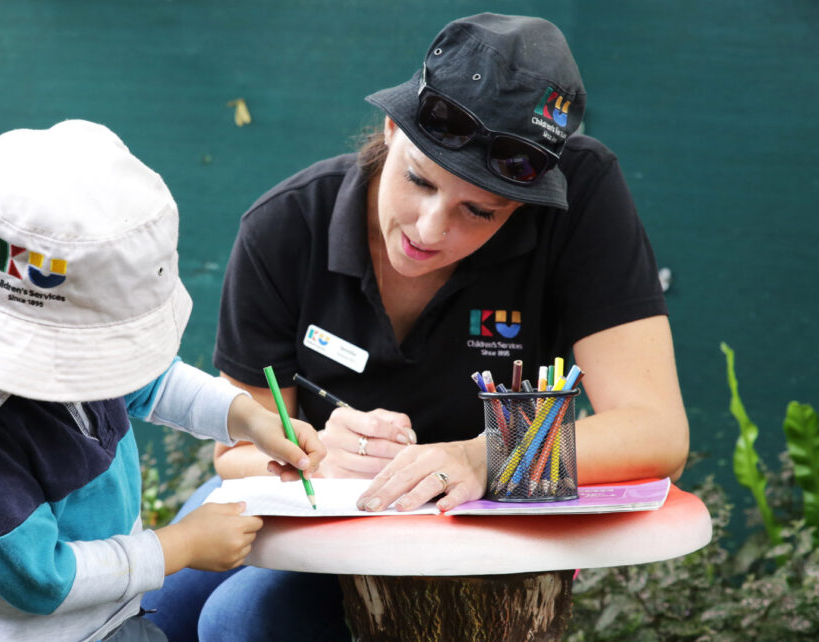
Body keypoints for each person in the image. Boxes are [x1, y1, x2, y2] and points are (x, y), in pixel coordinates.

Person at [142, 12, 690, 642]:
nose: (430, 231)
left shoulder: (581, 195)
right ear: (389, 128)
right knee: (157, 611)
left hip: (483, 516)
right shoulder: (285, 224)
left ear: (530, 202)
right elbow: (234, 453)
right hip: (326, 502)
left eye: (479, 211)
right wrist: (314, 456)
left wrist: (480, 457)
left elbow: (658, 433)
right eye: (418, 180)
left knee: (246, 620)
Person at [0, 120, 325, 642]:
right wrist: (180, 545)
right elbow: (40, 579)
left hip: (108, 612)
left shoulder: (78, 364)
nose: (105, 372)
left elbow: (153, 382)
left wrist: (248, 418)